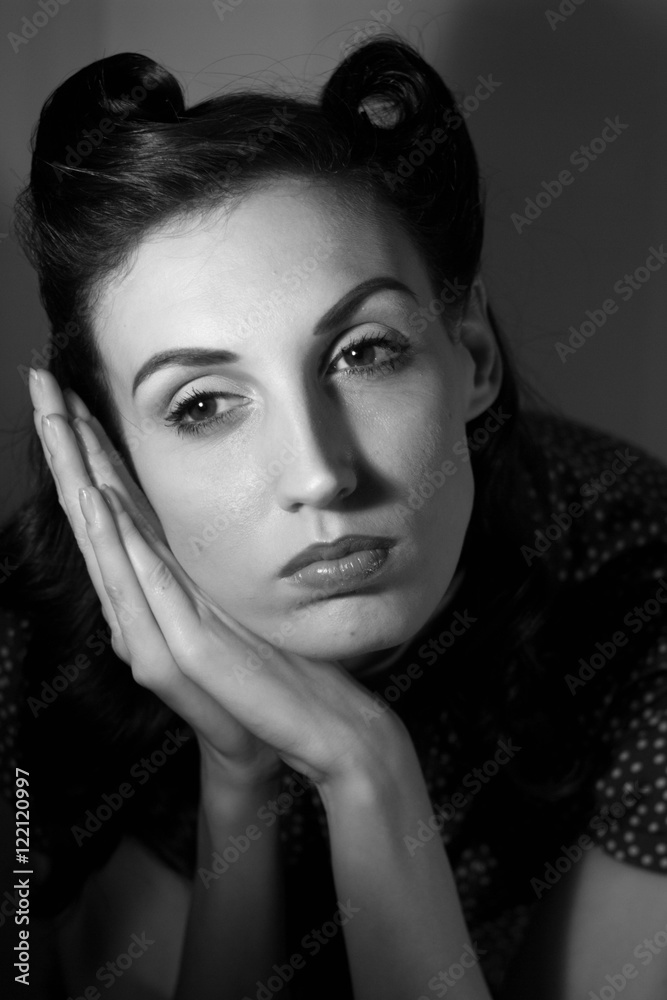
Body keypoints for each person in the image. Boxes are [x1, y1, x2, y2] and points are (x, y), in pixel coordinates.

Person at [1, 36, 666, 1000]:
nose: (319, 474)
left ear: (473, 357)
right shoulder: (32, 662)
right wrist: (237, 778)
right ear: (112, 453)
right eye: (202, 404)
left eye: (363, 353)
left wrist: (363, 768)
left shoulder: (636, 583)